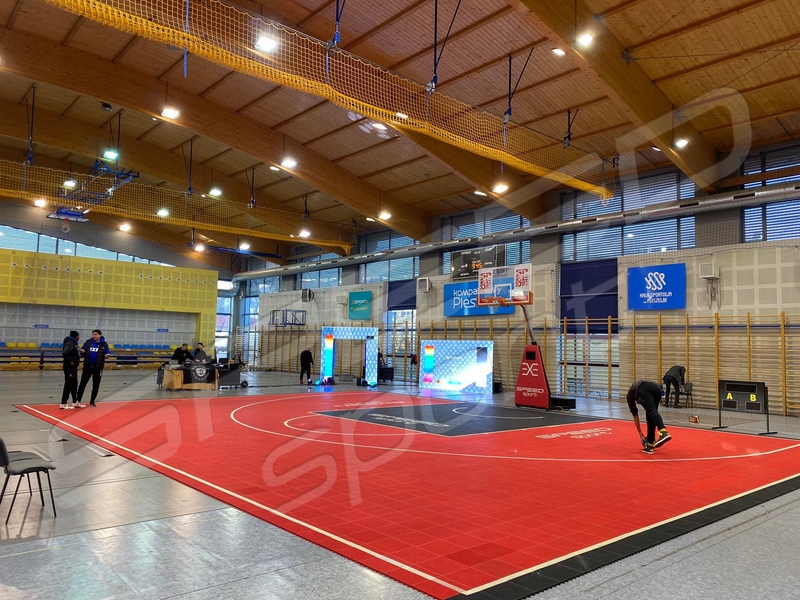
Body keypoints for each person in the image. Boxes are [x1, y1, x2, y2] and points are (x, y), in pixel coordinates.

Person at [626, 379, 672, 454]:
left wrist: (640, 433)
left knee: (651, 411)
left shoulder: (630, 396)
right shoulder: (635, 392)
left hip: (644, 388)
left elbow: (635, 416)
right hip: (657, 389)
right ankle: (650, 444)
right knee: (651, 415)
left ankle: (663, 432)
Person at [76, 329, 110, 407]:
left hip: (98, 367)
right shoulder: (88, 342)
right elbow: (83, 351)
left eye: (96, 334)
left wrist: (106, 355)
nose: (94, 336)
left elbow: (107, 352)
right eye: (93, 334)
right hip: (87, 366)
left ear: (100, 335)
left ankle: (92, 401)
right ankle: (78, 400)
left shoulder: (104, 344)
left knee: (96, 385)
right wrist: (82, 351)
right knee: (82, 384)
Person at [60, 330, 81, 409]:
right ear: (76, 336)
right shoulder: (70, 343)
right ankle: (63, 403)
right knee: (68, 384)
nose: (79, 337)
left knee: (74, 383)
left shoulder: (74, 343)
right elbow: (65, 352)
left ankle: (74, 401)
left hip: (74, 367)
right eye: (78, 336)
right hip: (69, 367)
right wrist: (70, 361)